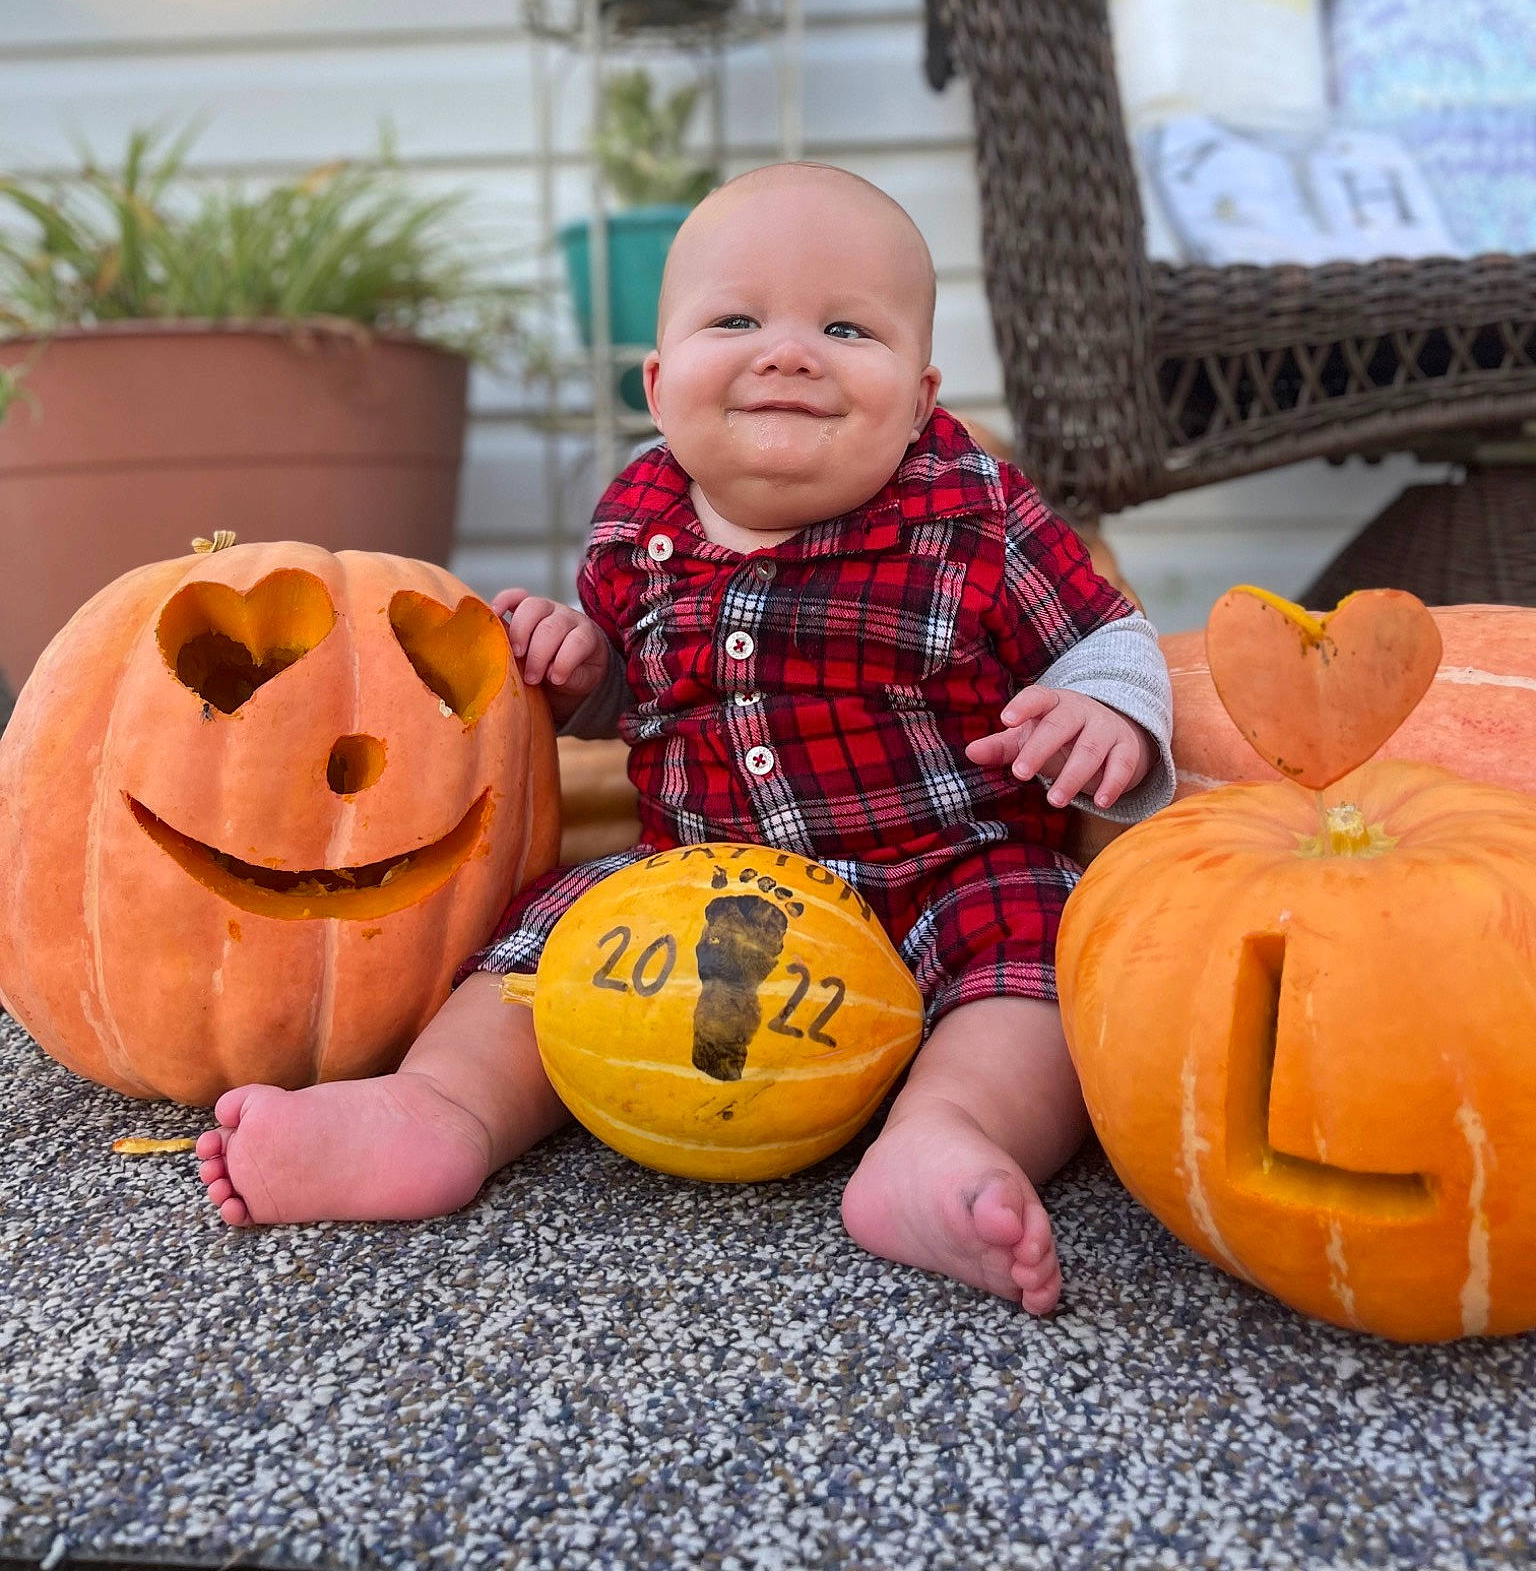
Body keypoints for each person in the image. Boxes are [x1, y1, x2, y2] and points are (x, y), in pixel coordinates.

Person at [198, 163, 1173, 1314]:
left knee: (1041, 960)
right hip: (697, 886)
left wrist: (1108, 708)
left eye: (847, 328)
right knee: (545, 941)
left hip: (945, 871)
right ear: (660, 385)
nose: (790, 353)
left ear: (919, 399)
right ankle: (438, 1110)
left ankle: (944, 1137)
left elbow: (1108, 634)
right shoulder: (635, 521)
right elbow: (634, 694)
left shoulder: (975, 514)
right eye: (738, 320)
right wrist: (583, 668)